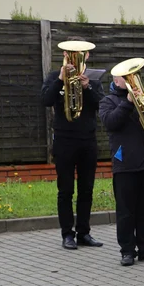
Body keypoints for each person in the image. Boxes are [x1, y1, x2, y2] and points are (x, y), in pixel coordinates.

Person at [99, 70, 144, 267]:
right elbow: (110, 123)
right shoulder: (109, 101)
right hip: (125, 163)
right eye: (126, 77)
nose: (131, 79)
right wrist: (128, 102)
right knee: (126, 211)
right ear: (116, 80)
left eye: (134, 75)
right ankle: (127, 251)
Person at [41, 48, 104, 250]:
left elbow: (101, 105)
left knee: (86, 189)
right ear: (65, 56)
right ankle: (67, 234)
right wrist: (60, 79)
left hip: (88, 140)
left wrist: (88, 88)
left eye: (80, 53)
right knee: (65, 190)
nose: (75, 56)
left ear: (87, 56)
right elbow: (45, 100)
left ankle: (84, 232)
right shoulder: (54, 76)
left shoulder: (92, 80)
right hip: (64, 140)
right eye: (71, 53)